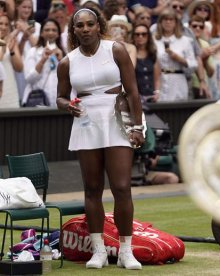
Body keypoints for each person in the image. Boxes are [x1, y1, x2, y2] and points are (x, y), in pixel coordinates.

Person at [56, 7, 145, 270]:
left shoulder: (115, 49)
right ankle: (98, 251)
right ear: (73, 30)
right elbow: (60, 96)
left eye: (89, 24)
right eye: (79, 25)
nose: (84, 29)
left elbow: (133, 92)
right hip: (85, 121)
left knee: (121, 186)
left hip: (117, 119)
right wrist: (66, 105)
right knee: (92, 188)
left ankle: (126, 250)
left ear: (98, 26)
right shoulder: (67, 62)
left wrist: (137, 127)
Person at [153, 8, 197, 101]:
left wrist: (179, 59)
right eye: (165, 19)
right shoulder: (154, 41)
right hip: (160, 81)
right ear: (160, 22)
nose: (168, 22)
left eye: (171, 19)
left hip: (178, 81)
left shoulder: (184, 41)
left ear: (176, 23)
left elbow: (193, 64)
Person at [22, 18, 65, 107]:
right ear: (41, 33)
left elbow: (69, 79)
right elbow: (29, 79)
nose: (50, 33)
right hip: (37, 103)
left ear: (58, 34)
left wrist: (61, 60)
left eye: (54, 30)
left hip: (57, 104)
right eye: (47, 30)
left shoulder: (64, 53)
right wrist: (42, 61)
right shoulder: (33, 52)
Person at [133, 23, 161, 103]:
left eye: (144, 34)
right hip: (136, 98)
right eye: (137, 34)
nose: (140, 37)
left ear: (148, 36)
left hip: (151, 97)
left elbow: (157, 78)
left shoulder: (152, 54)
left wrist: (157, 92)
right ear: (133, 36)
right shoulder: (130, 53)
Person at [0, 14, 23, 108]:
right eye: (0, 23)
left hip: (10, 89)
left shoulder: (11, 40)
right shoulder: (6, 41)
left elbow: (19, 68)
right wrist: (4, 44)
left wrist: (12, 51)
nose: (3, 27)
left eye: (6, 24)